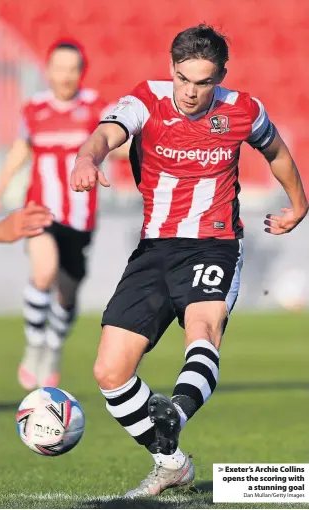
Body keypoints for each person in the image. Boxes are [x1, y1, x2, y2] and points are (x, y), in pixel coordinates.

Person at [70, 24, 308, 497]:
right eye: (183, 79)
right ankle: (171, 463)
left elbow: (276, 151)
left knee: (203, 330)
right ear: (171, 69)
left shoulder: (243, 110)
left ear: (220, 74)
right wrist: (86, 159)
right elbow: (106, 134)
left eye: (203, 81)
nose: (192, 91)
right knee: (109, 372)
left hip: (214, 243)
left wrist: (299, 203)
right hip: (155, 247)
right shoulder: (145, 100)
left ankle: (173, 415)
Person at [0, 41, 110, 391]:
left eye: (73, 68)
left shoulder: (94, 107)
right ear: (48, 71)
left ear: (81, 71)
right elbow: (19, 154)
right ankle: (34, 344)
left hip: (80, 218)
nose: (66, 75)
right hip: (40, 211)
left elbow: (113, 144)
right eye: (59, 68)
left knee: (67, 294)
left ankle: (54, 346)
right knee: (43, 272)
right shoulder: (35, 109)